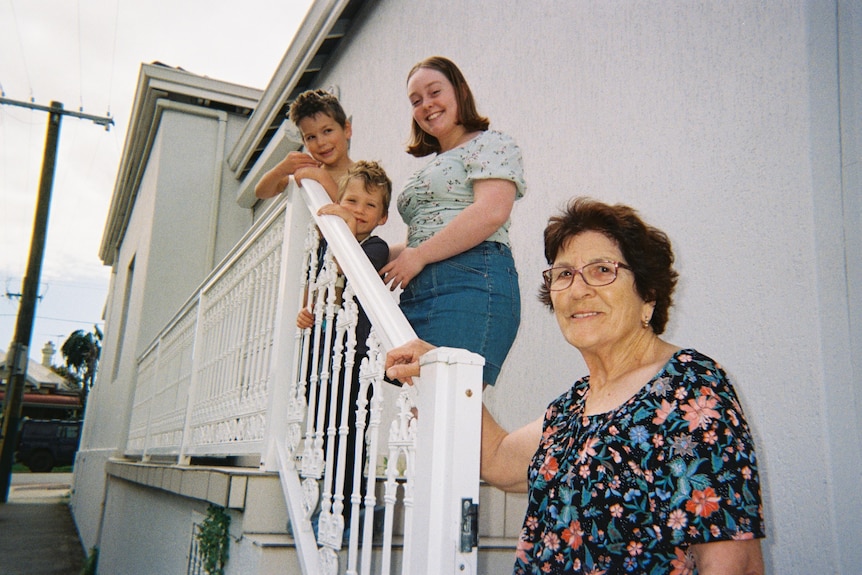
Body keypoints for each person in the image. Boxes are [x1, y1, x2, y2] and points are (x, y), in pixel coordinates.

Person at [386, 197, 766, 574]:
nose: (577, 289)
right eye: (564, 273)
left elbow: (736, 564)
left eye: (602, 270)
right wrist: (440, 369)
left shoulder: (690, 387)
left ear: (648, 294)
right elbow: (500, 460)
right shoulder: (573, 405)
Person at [380, 56, 526, 387]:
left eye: (434, 92)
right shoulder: (432, 165)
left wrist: (418, 256)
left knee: (449, 403)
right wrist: (374, 254)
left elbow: (491, 212)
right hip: (420, 289)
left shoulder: (491, 143)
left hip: (471, 283)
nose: (426, 105)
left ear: (459, 91)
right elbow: (424, 237)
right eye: (416, 101)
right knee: (425, 410)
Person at [295, 160, 391, 539]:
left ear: (382, 217)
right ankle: (326, 502)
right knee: (322, 432)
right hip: (323, 356)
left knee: (349, 434)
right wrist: (307, 311)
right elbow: (320, 289)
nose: (358, 210)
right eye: (351, 201)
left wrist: (345, 231)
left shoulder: (377, 247)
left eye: (370, 206)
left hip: (355, 361)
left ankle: (348, 510)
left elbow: (351, 275)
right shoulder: (327, 241)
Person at [255, 88, 353, 202]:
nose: (320, 142)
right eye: (311, 137)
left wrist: (323, 178)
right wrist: (282, 169)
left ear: (346, 129)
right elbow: (261, 192)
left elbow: (352, 216)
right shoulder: (308, 170)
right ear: (305, 143)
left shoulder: (364, 176)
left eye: (327, 131)